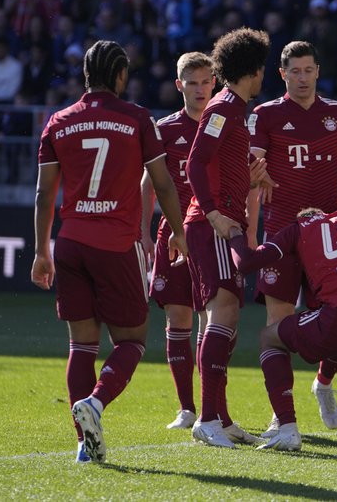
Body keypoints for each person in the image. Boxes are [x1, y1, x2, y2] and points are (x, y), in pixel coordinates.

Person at [31, 40, 187, 465]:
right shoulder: (137, 118)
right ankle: (96, 404)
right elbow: (163, 183)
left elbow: (44, 194)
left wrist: (41, 250)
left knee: (81, 345)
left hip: (71, 242)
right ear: (121, 76)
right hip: (117, 244)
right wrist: (177, 231)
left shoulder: (58, 122)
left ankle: (85, 444)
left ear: (85, 75)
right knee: (132, 340)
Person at [247, 41, 337, 437]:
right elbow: (252, 170)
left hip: (327, 234)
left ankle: (324, 383)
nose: (302, 78)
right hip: (282, 233)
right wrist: (252, 214)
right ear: (282, 74)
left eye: (308, 70)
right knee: (277, 324)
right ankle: (281, 416)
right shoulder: (266, 115)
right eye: (294, 71)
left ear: (318, 72)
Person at [227, 207, 337, 453]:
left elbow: (246, 263)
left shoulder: (299, 228)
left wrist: (235, 234)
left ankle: (287, 428)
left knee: (269, 337)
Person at [183, 27, 274, 448]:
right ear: (252, 70)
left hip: (225, 220)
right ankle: (206, 420)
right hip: (212, 223)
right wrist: (215, 212)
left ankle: (219, 415)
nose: (263, 76)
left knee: (223, 318)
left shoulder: (234, 109)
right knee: (223, 313)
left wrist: (248, 179)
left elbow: (218, 164)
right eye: (262, 68)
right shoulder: (223, 108)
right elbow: (195, 163)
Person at [139, 51, 216, 430]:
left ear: (214, 83)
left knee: (212, 321)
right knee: (178, 318)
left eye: (205, 82)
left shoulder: (226, 126)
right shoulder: (165, 129)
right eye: (192, 83)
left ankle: (211, 408)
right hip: (172, 235)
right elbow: (148, 184)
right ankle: (186, 408)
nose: (200, 90)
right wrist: (142, 230)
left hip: (212, 235)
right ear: (178, 85)